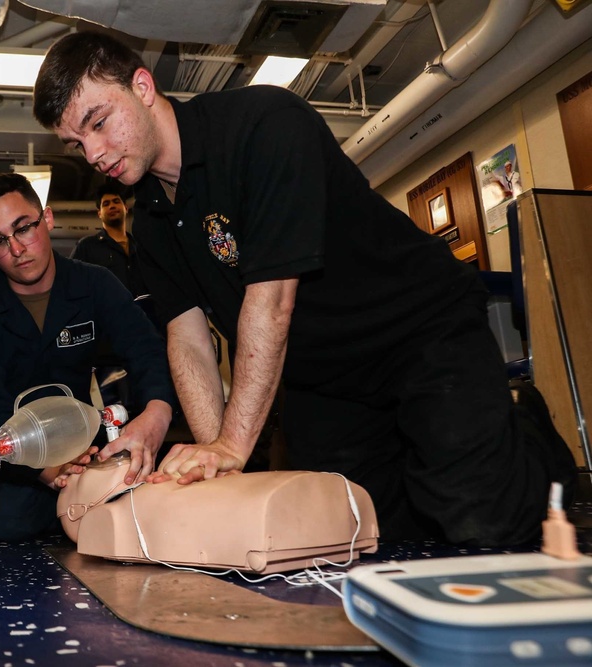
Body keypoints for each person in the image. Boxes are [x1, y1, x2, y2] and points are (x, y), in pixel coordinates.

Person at [32, 31, 577, 547]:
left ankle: (530, 436)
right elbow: (189, 342)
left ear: (143, 88)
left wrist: (232, 447)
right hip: (323, 375)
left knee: (478, 515)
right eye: (77, 143)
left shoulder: (263, 126)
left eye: (99, 122)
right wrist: (216, 460)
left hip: (417, 329)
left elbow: (271, 303)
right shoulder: (149, 222)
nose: (95, 153)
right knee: (346, 525)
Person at [0, 172, 175, 542]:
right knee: (7, 526)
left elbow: (145, 349)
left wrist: (157, 412)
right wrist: (44, 469)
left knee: (142, 512)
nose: (17, 249)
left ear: (47, 218)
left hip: (82, 445)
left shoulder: (96, 284)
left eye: (24, 228)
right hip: (13, 460)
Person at [71, 182, 141, 294]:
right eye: (106, 204)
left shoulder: (140, 246)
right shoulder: (87, 246)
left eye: (116, 201)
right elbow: (72, 282)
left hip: (142, 310)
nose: (112, 206)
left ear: (126, 208)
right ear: (99, 213)